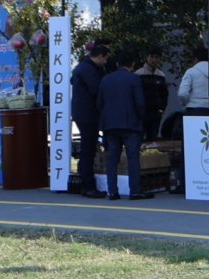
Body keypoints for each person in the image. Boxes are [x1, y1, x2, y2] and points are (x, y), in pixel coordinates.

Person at [97, 49, 152, 200]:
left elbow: (99, 103)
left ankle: (112, 191)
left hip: (110, 125)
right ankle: (135, 190)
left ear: (116, 64)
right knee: (133, 158)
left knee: (112, 159)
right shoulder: (134, 79)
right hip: (131, 124)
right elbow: (139, 102)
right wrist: (142, 118)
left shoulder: (105, 80)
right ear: (133, 64)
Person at [71, 43, 110, 198]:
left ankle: (84, 182)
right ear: (99, 56)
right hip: (87, 114)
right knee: (88, 149)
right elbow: (96, 89)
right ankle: (88, 186)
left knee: (88, 148)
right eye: (105, 58)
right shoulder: (88, 70)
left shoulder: (83, 67)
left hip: (83, 113)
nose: (106, 62)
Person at [135, 47, 174, 141]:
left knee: (153, 138)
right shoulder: (138, 74)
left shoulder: (161, 75)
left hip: (156, 113)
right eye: (152, 57)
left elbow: (164, 94)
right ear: (147, 57)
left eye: (157, 57)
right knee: (138, 138)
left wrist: (162, 109)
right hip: (142, 113)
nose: (154, 60)